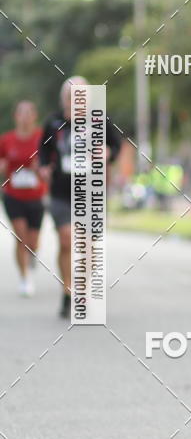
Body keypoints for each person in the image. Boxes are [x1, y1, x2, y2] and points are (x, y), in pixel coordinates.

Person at [39, 77, 121, 318]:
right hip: (61, 192)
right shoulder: (53, 123)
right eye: (72, 95)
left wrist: (107, 152)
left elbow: (115, 147)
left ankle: (81, 291)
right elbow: (43, 150)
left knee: (87, 246)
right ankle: (67, 290)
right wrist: (44, 167)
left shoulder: (99, 120)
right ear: (64, 98)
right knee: (66, 240)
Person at [0, 101, 47, 296]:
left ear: (34, 116)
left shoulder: (42, 138)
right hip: (13, 194)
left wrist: (42, 168)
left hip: (36, 195)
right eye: (21, 113)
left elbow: (49, 162)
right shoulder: (6, 140)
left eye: (29, 113)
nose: (25, 117)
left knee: (32, 241)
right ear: (16, 117)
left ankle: (32, 254)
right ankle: (24, 277)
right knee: (20, 236)